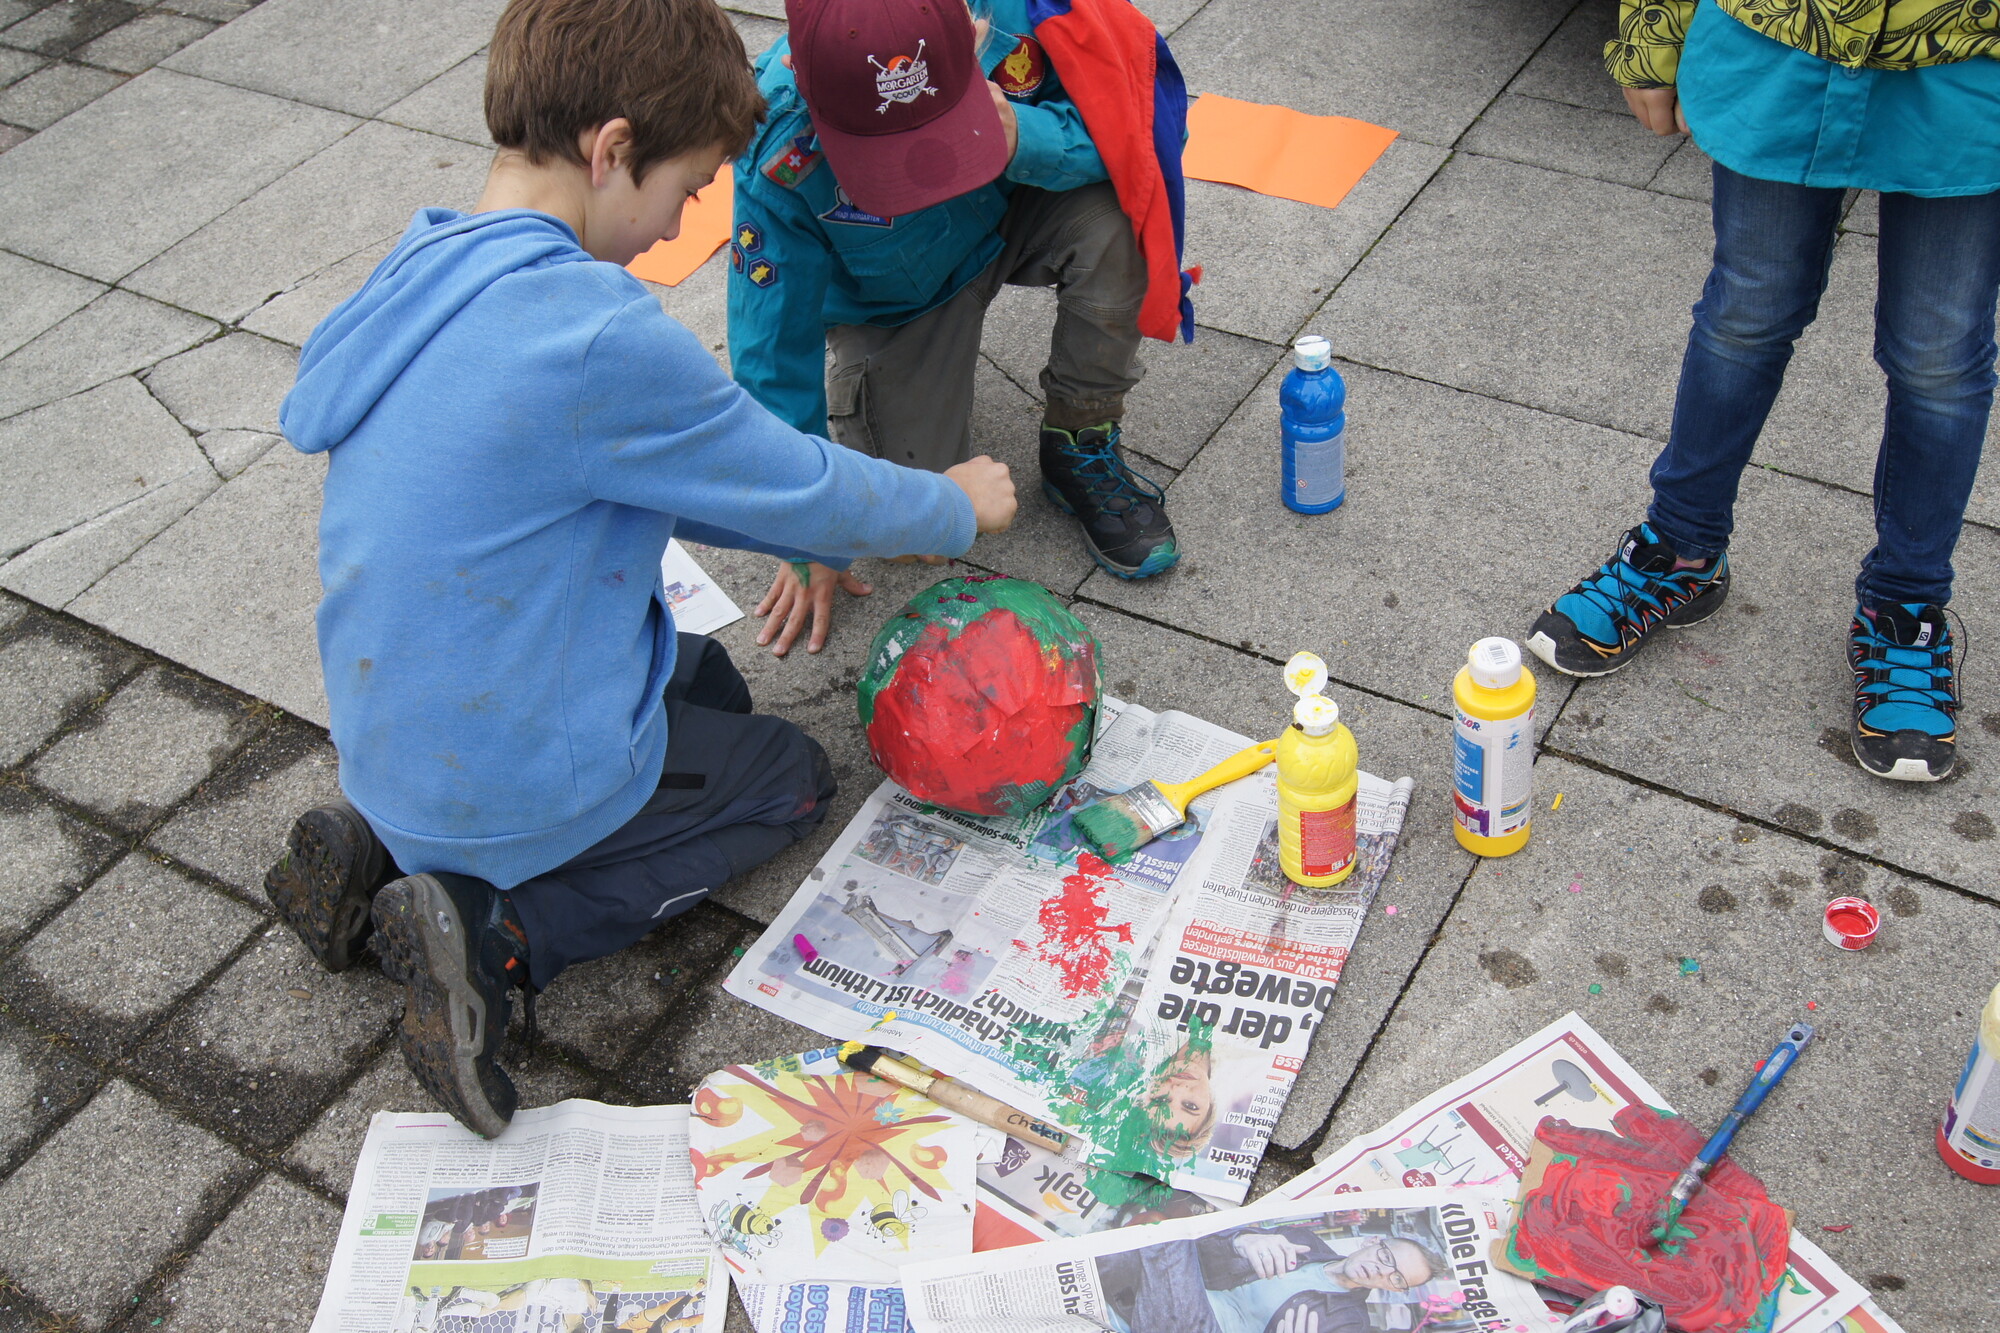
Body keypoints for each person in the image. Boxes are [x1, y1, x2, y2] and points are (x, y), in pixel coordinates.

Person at [261, 0, 1018, 1138]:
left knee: (709, 683)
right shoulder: (592, 337)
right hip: (506, 777)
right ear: (612, 152)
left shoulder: (423, 266)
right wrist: (951, 506)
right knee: (787, 777)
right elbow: (792, 485)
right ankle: (496, 938)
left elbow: (659, 484)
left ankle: (378, 854)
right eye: (687, 188)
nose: (677, 228)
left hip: (391, 745)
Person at [1526, 0, 2000, 781]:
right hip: (1780, 42)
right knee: (1744, 314)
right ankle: (1680, 550)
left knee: (1939, 359)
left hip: (1969, 63)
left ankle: (1906, 609)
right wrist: (1652, 35)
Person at [729, 0, 1196, 656]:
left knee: (1123, 219)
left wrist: (1022, 134)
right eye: (881, 161)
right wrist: (807, 532)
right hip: (898, 306)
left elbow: (1139, 134)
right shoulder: (780, 146)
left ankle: (1079, 436)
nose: (915, 179)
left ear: (972, 36)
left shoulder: (1015, 15)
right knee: (914, 531)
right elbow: (772, 352)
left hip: (1009, 214)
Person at [1095, 1223, 1440, 1333]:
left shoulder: (1350, 1325)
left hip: (1199, 1326)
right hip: (1168, 1297)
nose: (1382, 1271)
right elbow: (1204, 1255)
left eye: (1397, 1278)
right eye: (1386, 1258)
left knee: (1170, 1230)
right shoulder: (1303, 1241)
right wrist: (1242, 1241)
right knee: (1117, 1252)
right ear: (1373, 1242)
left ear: (1396, 1289)